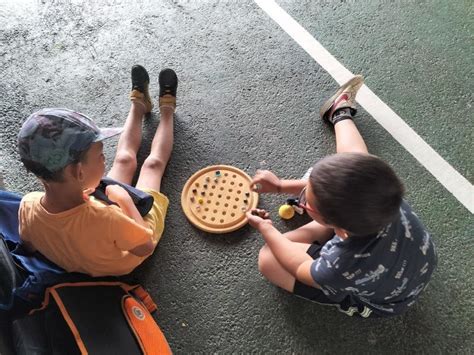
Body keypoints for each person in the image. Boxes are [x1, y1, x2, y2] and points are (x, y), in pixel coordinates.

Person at [246, 75, 437, 318]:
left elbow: (301, 267)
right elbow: (349, 181)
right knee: (356, 165)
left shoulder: (340, 266)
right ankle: (339, 112)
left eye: (306, 199)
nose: (301, 196)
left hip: (380, 299)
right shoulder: (384, 196)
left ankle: (322, 233)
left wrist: (267, 229)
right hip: (412, 262)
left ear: (342, 230)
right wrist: (281, 186)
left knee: (268, 258)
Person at [17, 65, 178, 277]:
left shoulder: (28, 205)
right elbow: (145, 246)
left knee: (123, 159)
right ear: (79, 172)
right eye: (101, 156)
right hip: (127, 243)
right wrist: (125, 201)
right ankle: (167, 111)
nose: (104, 159)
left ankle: (138, 104)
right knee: (152, 165)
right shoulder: (108, 218)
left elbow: (27, 243)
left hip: (96, 222)